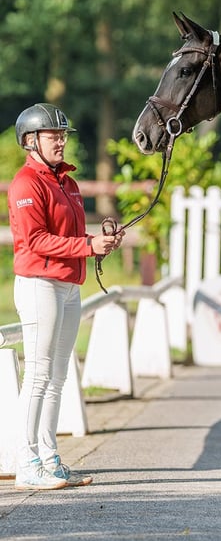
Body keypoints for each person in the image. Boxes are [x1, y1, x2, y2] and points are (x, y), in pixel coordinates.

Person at [8, 103, 124, 490]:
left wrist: (100, 243)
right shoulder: (27, 184)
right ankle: (26, 462)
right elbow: (36, 239)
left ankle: (49, 456)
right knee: (39, 375)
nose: (60, 142)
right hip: (40, 283)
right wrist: (88, 245)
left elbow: (73, 238)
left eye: (62, 136)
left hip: (69, 285)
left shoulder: (67, 183)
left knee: (58, 376)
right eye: (53, 136)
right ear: (31, 141)